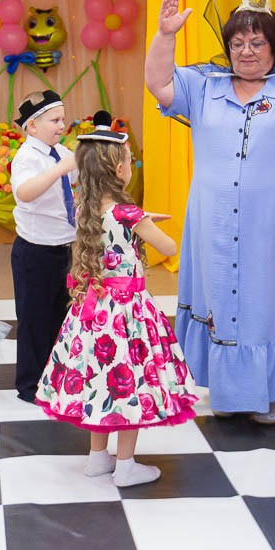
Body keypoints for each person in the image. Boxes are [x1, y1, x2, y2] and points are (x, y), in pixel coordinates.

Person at [145, 0, 275, 423]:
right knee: (225, 302)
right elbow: (159, 84)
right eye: (237, 43)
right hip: (217, 225)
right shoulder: (203, 85)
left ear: (274, 46)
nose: (247, 51)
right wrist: (165, 36)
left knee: (269, 304)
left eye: (257, 42)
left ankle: (271, 393)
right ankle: (229, 391)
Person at [35, 114, 198, 488]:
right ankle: (125, 466)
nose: (132, 166)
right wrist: (143, 222)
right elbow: (168, 247)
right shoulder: (128, 213)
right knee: (132, 383)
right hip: (128, 314)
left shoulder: (85, 208)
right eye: (130, 161)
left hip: (93, 312)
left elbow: (114, 224)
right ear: (119, 169)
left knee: (101, 380)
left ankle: (97, 458)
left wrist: (139, 219)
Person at [8, 89, 78, 404]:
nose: (61, 125)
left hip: (65, 247)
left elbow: (76, 179)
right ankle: (29, 385)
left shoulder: (60, 152)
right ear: (32, 127)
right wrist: (60, 169)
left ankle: (55, 376)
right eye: (54, 119)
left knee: (59, 317)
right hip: (35, 252)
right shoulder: (27, 157)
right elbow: (25, 192)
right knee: (34, 318)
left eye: (63, 119)